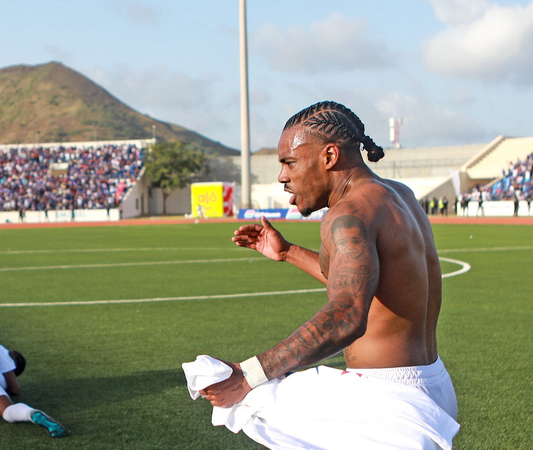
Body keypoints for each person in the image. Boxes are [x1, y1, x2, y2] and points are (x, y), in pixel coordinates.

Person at [196, 101, 458, 447]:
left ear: (329, 156)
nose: (282, 177)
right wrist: (288, 251)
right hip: (432, 382)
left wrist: (249, 374)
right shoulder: (399, 195)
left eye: (289, 162)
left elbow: (347, 314)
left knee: (249, 399)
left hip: (387, 401)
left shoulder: (347, 213)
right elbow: (366, 285)